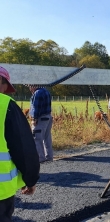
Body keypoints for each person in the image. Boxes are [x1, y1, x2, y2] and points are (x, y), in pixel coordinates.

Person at [0, 66, 40, 222]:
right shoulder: (5, 105)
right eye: (5, 86)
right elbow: (24, 148)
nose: (4, 91)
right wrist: (30, 180)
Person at [29, 85, 53, 163]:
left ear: (33, 86)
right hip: (48, 117)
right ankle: (49, 156)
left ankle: (40, 157)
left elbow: (36, 107)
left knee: (37, 137)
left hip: (41, 118)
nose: (30, 89)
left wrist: (34, 119)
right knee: (47, 137)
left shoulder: (37, 93)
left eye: (30, 87)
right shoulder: (46, 91)